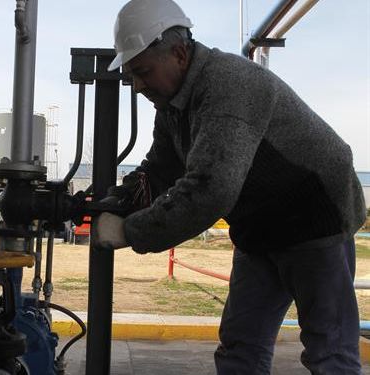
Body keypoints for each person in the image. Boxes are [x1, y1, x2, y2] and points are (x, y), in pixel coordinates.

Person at [92, 0, 367, 373]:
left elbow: (211, 189)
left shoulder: (227, 83)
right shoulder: (173, 103)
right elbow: (161, 167)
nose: (138, 85)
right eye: (132, 75)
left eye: (142, 72)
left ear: (178, 53)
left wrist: (131, 230)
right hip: (259, 225)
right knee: (241, 347)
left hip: (313, 218)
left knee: (328, 351)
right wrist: (122, 199)